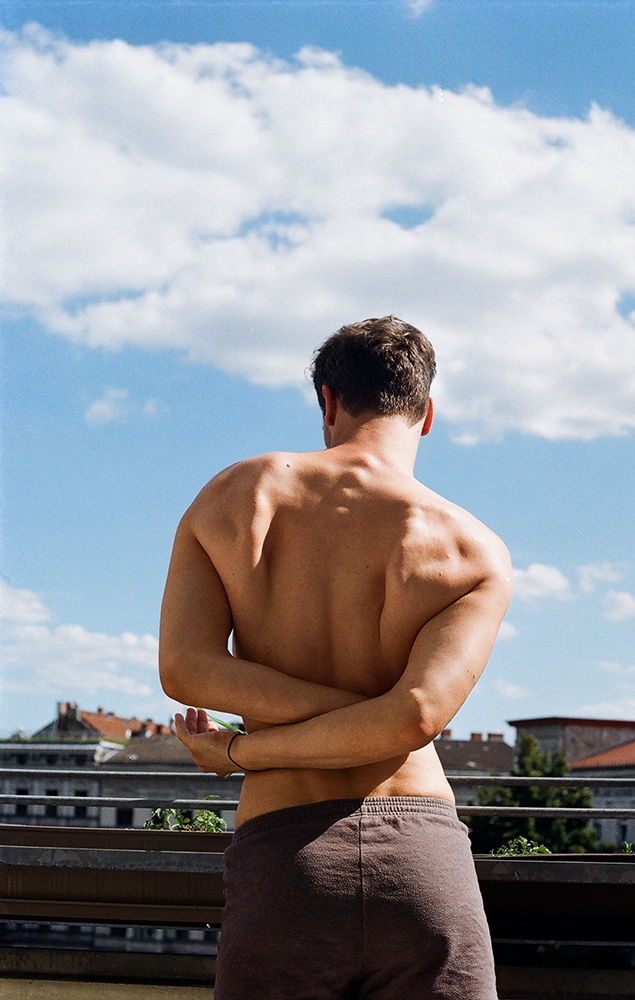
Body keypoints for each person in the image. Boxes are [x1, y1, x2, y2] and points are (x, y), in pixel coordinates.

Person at [160, 316, 512, 999]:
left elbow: (186, 668)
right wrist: (376, 715)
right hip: (421, 861)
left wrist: (239, 752)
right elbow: (413, 718)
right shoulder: (473, 549)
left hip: (286, 858)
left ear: (328, 401)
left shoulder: (239, 495)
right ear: (427, 414)